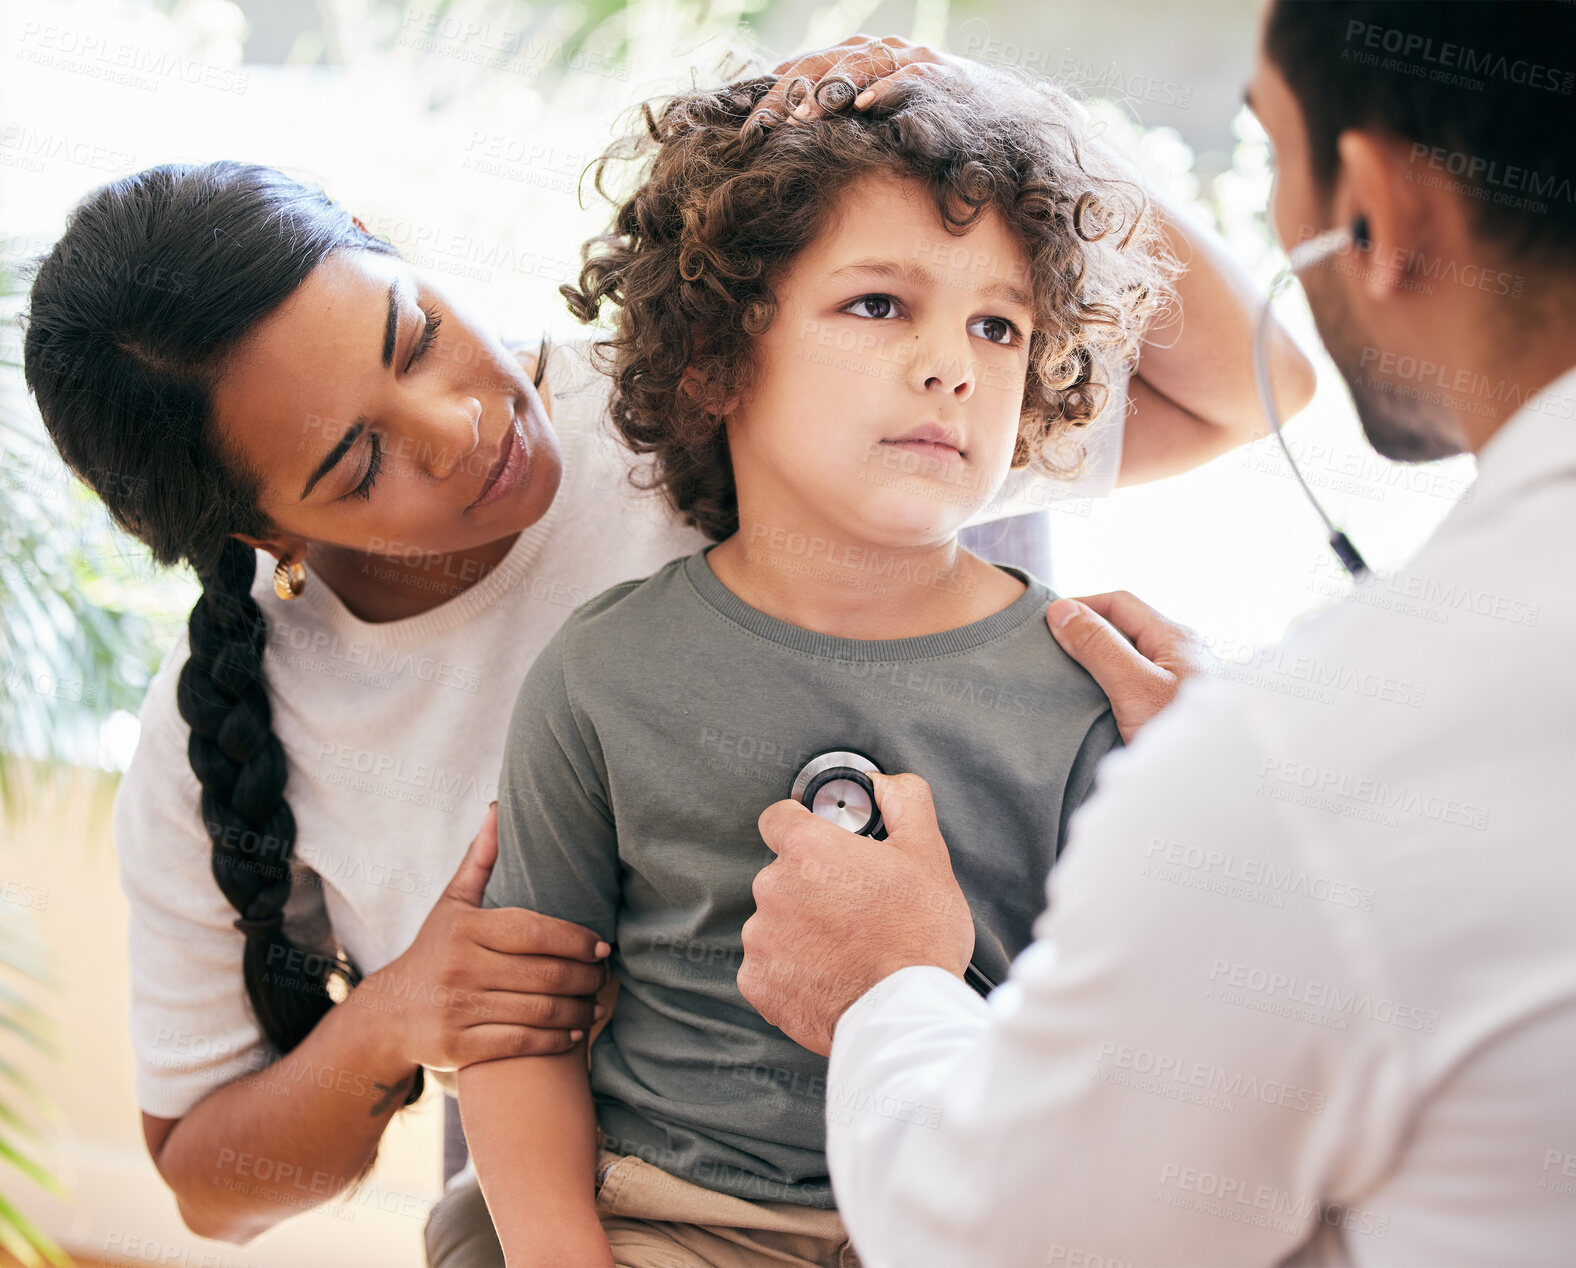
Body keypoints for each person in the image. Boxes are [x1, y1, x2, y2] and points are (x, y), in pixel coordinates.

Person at [18, 37, 1310, 1265]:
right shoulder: (229, 737)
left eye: (413, 332)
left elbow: (1257, 387)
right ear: (261, 534)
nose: (461, 423)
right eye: (360, 462)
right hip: (621, 1203)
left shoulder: (747, 384)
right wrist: (394, 1022)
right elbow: (206, 1184)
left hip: (959, 1156)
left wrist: (968, 111)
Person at [736, 4, 1576, 1265]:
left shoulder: (1301, 776)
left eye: (1275, 154)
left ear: (1379, 215)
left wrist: (889, 987)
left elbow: (1009, 1241)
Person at [458, 63, 1169, 1268]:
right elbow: (520, 1029)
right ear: (713, 359)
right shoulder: (601, 674)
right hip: (667, 1221)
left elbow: (1129, 1049)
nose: (952, 362)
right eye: (880, 305)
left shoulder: (1089, 686)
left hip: (969, 1223)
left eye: (997, 325)